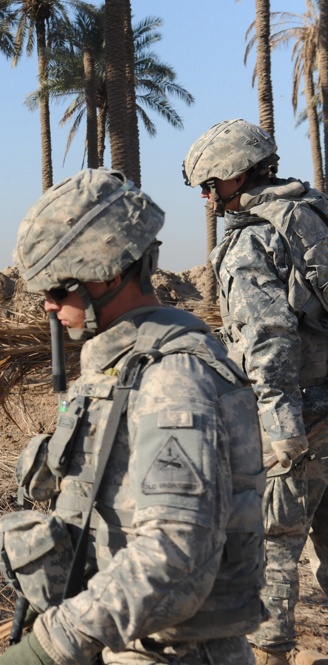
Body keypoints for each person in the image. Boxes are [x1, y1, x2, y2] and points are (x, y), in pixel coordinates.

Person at [0, 168, 266, 664]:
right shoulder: (122, 364)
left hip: (175, 651)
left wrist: (57, 642)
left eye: (59, 290)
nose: (50, 307)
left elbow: (177, 550)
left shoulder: (172, 378)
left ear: (109, 274)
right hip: (131, 637)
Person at [183, 118, 328, 665]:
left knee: (274, 544)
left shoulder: (251, 242)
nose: (206, 195)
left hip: (299, 418)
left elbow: (269, 342)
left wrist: (282, 430)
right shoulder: (313, 212)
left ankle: (271, 656)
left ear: (238, 175)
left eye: (211, 183)